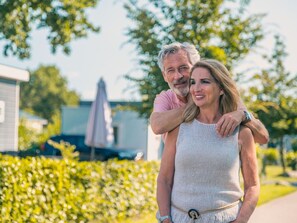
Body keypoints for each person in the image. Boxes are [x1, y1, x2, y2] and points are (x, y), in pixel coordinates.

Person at [156, 59, 260, 223]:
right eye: (193, 82)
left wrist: (241, 221)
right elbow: (164, 180)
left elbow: (253, 186)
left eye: (204, 82)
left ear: (221, 89)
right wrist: (165, 219)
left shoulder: (242, 133)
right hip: (179, 219)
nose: (196, 88)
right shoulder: (177, 130)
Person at [150, 42, 269, 144]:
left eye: (183, 68)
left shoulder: (221, 94)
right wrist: (197, 106)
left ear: (197, 68)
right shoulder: (165, 98)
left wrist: (243, 115)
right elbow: (157, 126)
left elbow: (263, 138)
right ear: (164, 76)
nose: (178, 76)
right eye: (170, 70)